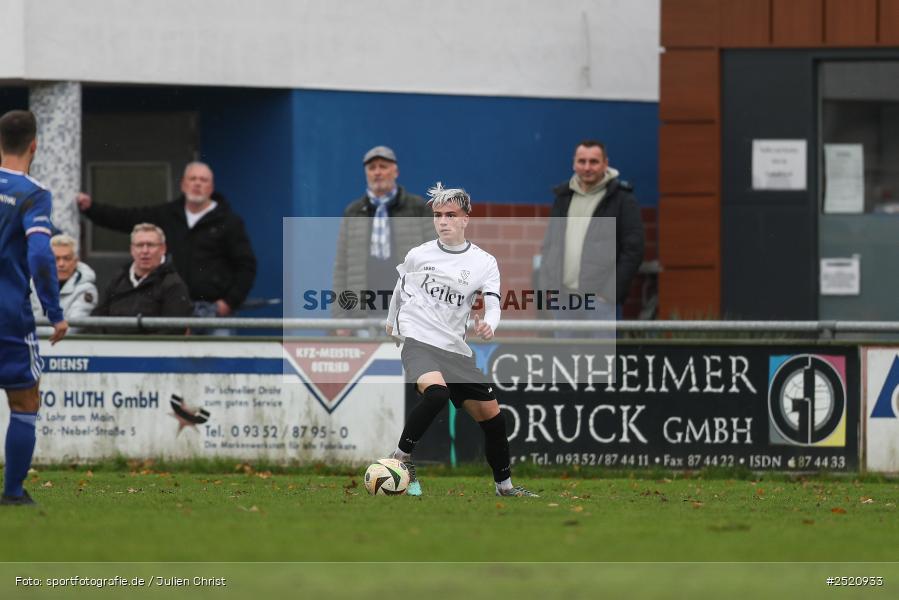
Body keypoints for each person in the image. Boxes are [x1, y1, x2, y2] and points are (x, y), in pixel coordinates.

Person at [385, 183, 537, 498]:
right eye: (438, 215)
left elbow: (493, 305)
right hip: (419, 341)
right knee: (437, 394)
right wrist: (390, 322)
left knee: (493, 419)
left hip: (454, 350)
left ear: (466, 218)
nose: (443, 221)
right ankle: (400, 458)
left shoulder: (484, 262)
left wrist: (490, 325)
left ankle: (505, 487)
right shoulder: (418, 255)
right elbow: (400, 289)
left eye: (451, 215)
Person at [76, 162, 257, 322]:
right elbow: (126, 218)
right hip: (171, 305)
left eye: (203, 180)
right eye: (192, 179)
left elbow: (246, 265)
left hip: (213, 311)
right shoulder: (167, 215)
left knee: (217, 352)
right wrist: (92, 208)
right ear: (183, 184)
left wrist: (229, 303)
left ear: (211, 187)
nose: (197, 184)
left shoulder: (229, 222)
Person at [0, 109, 68, 506]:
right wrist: (54, 313)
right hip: (7, 313)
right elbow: (41, 255)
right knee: (24, 401)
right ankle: (12, 493)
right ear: (34, 145)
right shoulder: (32, 194)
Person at [539, 140, 645, 322]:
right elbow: (550, 245)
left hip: (601, 303)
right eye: (582, 161)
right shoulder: (563, 197)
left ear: (605, 163)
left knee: (601, 344)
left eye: (594, 162)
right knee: (564, 344)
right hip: (564, 299)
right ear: (574, 163)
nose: (587, 167)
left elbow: (633, 251)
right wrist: (548, 287)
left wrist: (609, 294)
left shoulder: (622, 200)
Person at [332, 146, 432, 327]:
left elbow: (435, 263)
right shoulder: (353, 211)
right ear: (366, 174)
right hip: (362, 314)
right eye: (372, 168)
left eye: (383, 166)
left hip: (410, 314)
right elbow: (341, 268)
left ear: (395, 172)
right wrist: (340, 318)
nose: (377, 172)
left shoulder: (418, 208)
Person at [92, 223, 193, 334]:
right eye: (139, 245)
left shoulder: (173, 284)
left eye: (150, 245)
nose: (144, 251)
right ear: (132, 249)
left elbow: (174, 330)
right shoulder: (118, 279)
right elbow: (97, 318)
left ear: (163, 249)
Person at [30, 234, 98, 334]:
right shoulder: (32, 284)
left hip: (69, 344)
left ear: (75, 261)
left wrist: (32, 331)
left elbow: (71, 329)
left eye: (67, 258)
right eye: (56, 259)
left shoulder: (86, 289)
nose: (61, 264)